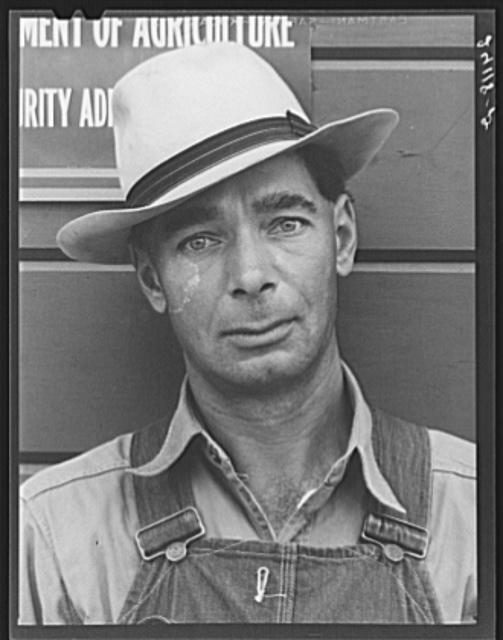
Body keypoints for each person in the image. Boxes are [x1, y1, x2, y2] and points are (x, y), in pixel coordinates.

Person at [19, 41, 476, 625]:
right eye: (200, 241)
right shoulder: (57, 538)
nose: (251, 276)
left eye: (284, 223)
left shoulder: (475, 516)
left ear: (340, 239)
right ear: (151, 278)